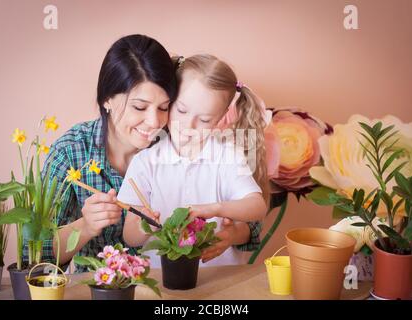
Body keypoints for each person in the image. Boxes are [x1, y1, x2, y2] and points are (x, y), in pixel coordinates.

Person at [33, 37, 261, 271]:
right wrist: (87, 226)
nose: (154, 122)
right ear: (107, 99)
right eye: (139, 107)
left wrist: (232, 232)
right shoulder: (72, 152)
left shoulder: (184, 135)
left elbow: (250, 219)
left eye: (164, 107)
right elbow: (35, 255)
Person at [119, 54, 269, 267]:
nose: (189, 125)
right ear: (169, 100)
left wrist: (215, 209)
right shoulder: (145, 162)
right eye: (181, 110)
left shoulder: (227, 156)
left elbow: (257, 207)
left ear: (220, 117)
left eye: (205, 119)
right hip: (162, 281)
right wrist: (146, 226)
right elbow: (130, 237)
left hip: (220, 280)